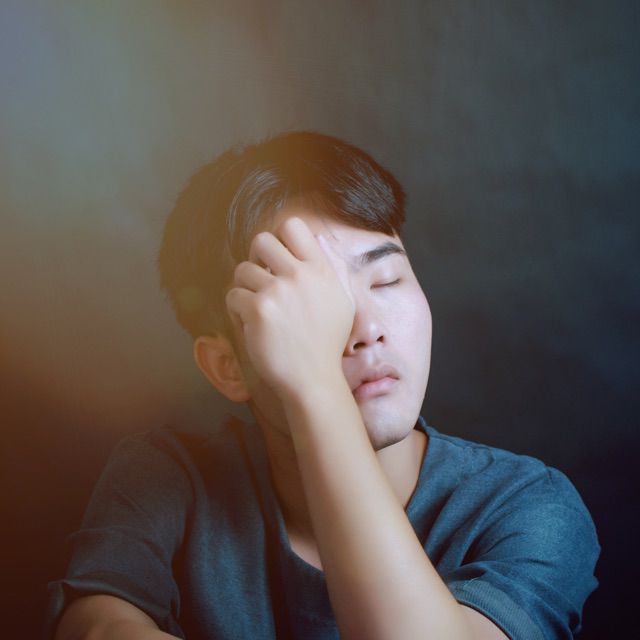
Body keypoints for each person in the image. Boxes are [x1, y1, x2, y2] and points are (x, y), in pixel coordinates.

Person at [47, 131, 599, 639]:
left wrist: (314, 383)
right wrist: (314, 383)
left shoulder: (526, 505)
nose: (367, 330)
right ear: (228, 366)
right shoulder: (168, 478)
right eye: (307, 308)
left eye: (387, 279)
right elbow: (94, 626)